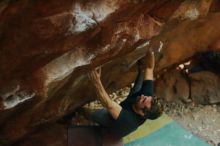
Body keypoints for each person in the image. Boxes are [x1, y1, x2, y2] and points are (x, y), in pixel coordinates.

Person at [87, 51, 163, 137]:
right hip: (130, 104)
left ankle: (83, 112)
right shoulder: (147, 98)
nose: (143, 96)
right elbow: (149, 68)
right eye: (146, 97)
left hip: (113, 124)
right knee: (142, 76)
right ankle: (140, 68)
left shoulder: (129, 121)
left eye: (143, 100)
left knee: (91, 111)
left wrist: (96, 81)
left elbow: (109, 104)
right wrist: (151, 50)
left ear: (142, 114)